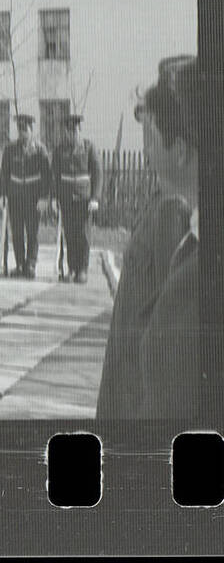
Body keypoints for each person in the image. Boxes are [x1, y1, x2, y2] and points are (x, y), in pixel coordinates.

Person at [97, 55, 201, 419]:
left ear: (182, 148)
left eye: (153, 133)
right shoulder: (166, 200)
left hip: (138, 401)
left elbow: (166, 324)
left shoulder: (174, 210)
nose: (146, 154)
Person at [0, 113, 52, 279]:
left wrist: (44, 197)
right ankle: (20, 263)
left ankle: (31, 264)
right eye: (20, 130)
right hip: (15, 196)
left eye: (25, 130)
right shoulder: (10, 149)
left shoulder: (40, 149)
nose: (22, 133)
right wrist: (3, 195)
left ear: (31, 130)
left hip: (33, 197)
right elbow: (4, 174)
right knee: (16, 232)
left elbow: (47, 176)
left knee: (32, 232)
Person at [51, 113, 102, 284]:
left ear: (80, 130)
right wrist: (54, 198)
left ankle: (83, 270)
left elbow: (97, 173)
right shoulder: (59, 150)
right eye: (69, 131)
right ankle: (72, 269)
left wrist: (95, 197)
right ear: (65, 132)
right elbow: (55, 176)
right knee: (70, 234)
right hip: (66, 198)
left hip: (83, 199)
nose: (72, 134)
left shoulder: (88, 148)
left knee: (83, 234)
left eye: (75, 130)